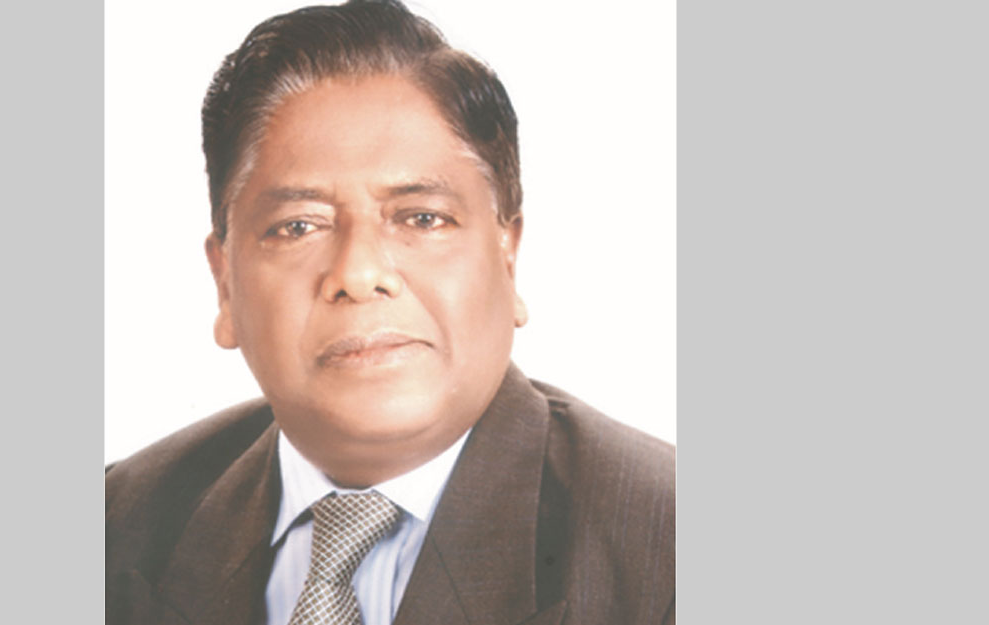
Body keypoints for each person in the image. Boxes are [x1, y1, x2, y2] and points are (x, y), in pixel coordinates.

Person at [105, 1, 674, 623]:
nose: (358, 274)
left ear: (507, 257)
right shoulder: (111, 529)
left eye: (423, 218)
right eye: (298, 226)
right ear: (224, 286)